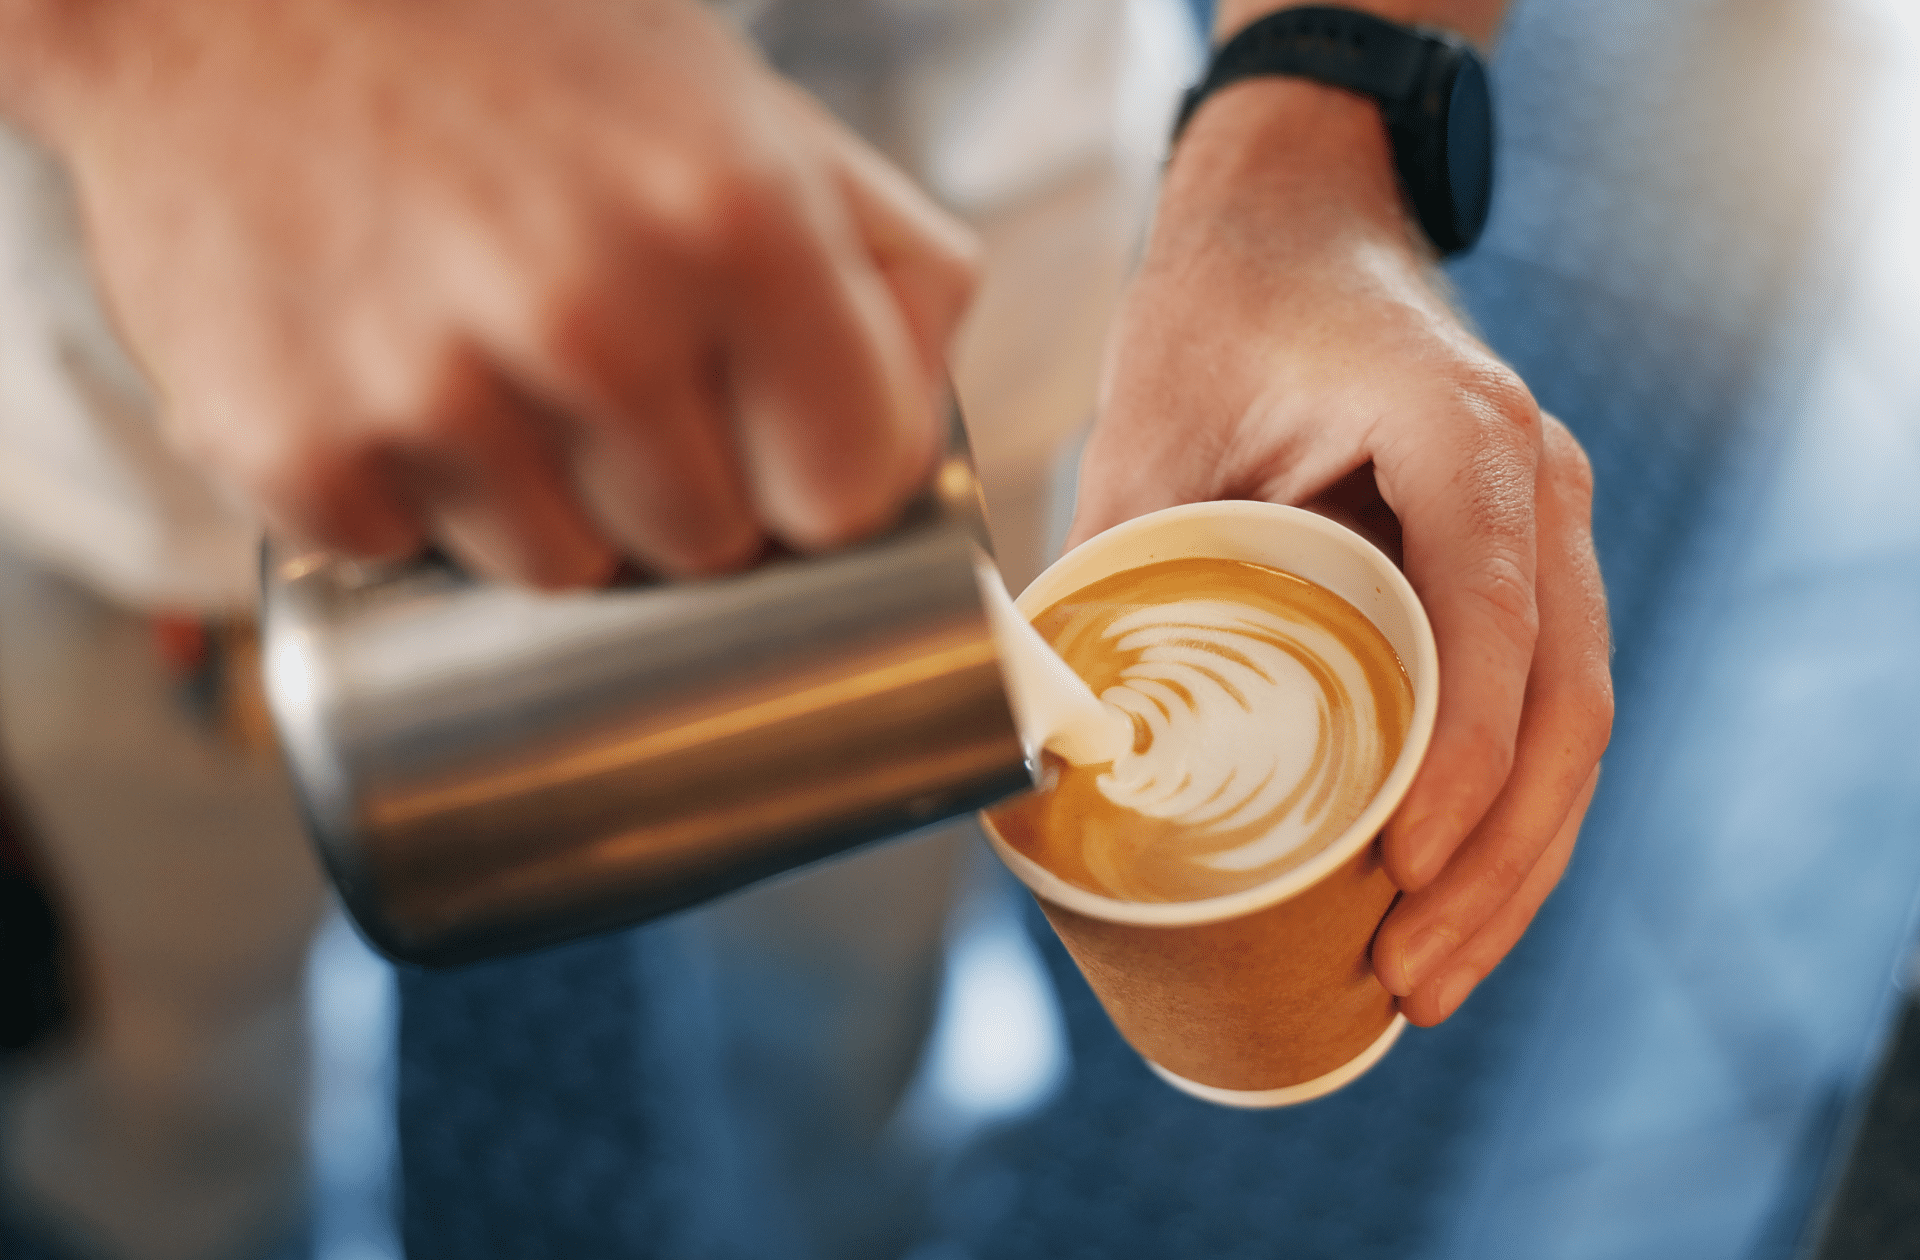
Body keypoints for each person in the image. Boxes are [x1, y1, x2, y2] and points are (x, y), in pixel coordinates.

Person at [0, 0, 1610, 1249]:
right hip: (154, 418)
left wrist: (1326, 118)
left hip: (973, 273)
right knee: (180, 1130)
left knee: (864, 1019)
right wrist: (152, 44)